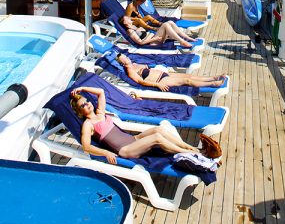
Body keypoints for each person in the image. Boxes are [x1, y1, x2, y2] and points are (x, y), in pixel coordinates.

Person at [70, 86, 200, 165]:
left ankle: (190, 148)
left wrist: (83, 89)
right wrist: (106, 153)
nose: (87, 104)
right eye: (83, 105)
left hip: (134, 140)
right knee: (157, 138)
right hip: (125, 150)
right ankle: (190, 153)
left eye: (87, 101)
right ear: (79, 111)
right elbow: (86, 147)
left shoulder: (100, 112)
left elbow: (101, 92)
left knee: (159, 130)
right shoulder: (88, 125)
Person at [116, 53, 227, 92]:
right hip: (160, 80)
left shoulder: (134, 63)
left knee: (190, 75)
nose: (126, 58)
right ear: (122, 63)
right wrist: (157, 84)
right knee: (187, 81)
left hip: (163, 74)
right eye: (123, 59)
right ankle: (212, 84)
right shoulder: (130, 70)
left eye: (125, 56)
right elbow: (141, 82)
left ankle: (213, 77)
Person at [118, 9, 196, 49]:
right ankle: (182, 41)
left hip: (154, 37)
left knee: (170, 22)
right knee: (165, 25)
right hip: (153, 42)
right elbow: (140, 42)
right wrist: (155, 38)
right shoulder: (130, 31)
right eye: (127, 18)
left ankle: (186, 37)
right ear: (125, 22)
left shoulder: (134, 26)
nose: (129, 18)